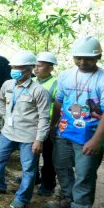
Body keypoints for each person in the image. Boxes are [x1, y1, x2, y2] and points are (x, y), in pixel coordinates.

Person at [47, 36, 104, 208]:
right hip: (64, 132)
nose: (82, 62)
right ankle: (66, 196)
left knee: (84, 174)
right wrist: (53, 126)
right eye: (78, 58)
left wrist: (97, 140)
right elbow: (59, 102)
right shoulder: (65, 76)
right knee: (61, 166)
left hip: (89, 136)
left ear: (98, 57)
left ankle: (81, 207)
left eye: (87, 58)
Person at [0, 51, 50, 208]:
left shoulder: (39, 91)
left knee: (28, 169)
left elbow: (44, 117)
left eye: (19, 67)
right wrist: (4, 115)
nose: (15, 69)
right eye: (13, 66)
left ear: (29, 69)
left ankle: (23, 197)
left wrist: (39, 139)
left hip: (28, 136)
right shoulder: (7, 84)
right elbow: (1, 100)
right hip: (8, 133)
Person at [33, 52, 59, 196]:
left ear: (50, 68)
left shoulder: (56, 84)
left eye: (40, 66)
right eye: (35, 65)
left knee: (49, 156)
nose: (36, 69)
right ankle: (34, 177)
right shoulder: (32, 81)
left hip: (48, 125)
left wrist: (53, 125)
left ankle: (48, 184)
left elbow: (58, 106)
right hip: (32, 124)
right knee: (31, 152)